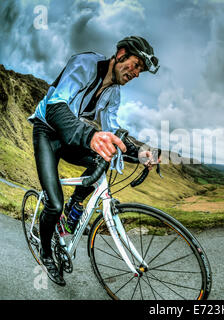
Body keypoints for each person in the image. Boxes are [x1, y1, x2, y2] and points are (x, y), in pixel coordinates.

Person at [28, 36, 160, 286]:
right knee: (53, 205)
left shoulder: (114, 93)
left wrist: (139, 152)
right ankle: (46, 254)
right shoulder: (85, 63)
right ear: (120, 54)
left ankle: (75, 206)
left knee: (103, 160)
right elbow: (56, 105)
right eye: (135, 65)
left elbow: (113, 130)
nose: (136, 73)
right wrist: (89, 135)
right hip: (47, 130)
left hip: (69, 134)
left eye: (140, 70)